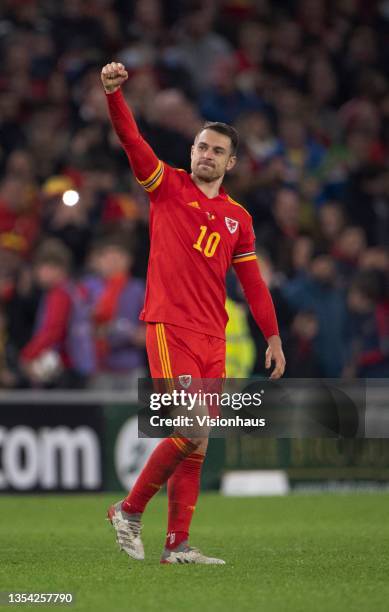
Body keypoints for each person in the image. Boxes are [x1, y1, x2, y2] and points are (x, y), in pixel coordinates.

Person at [101, 62, 285, 565]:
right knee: (189, 428)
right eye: (202, 146)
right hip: (169, 326)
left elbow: (252, 283)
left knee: (198, 441)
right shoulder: (166, 187)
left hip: (213, 337)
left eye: (217, 151)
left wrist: (273, 338)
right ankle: (129, 509)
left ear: (230, 164)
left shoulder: (238, 219)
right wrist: (115, 96)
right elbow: (131, 139)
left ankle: (176, 545)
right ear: (192, 152)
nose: (207, 155)